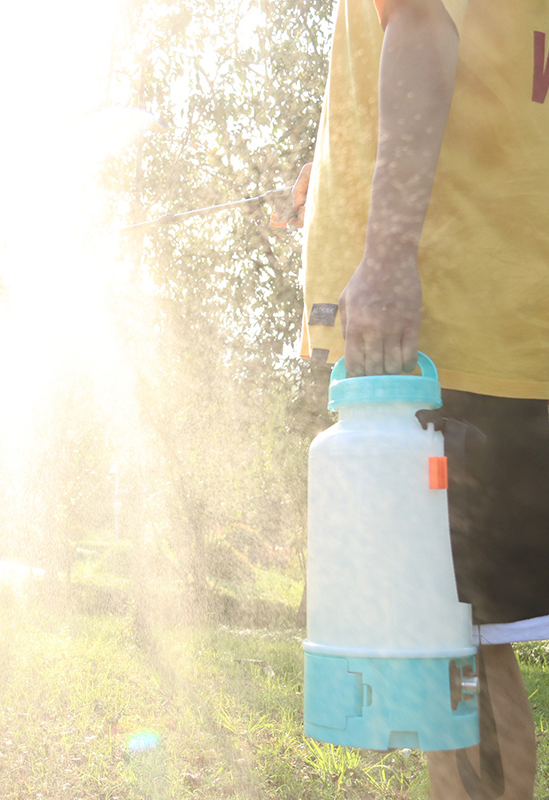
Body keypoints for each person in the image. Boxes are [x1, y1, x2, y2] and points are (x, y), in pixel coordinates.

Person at [295, 0, 549, 797]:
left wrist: (389, 254)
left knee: (458, 649)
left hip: (448, 341)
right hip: (475, 325)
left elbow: (423, 27)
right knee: (458, 645)